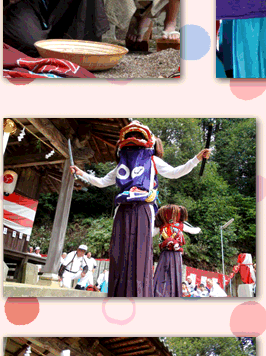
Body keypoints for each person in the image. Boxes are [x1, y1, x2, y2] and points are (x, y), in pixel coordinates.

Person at [71, 122, 208, 297]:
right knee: (119, 250)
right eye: (128, 136)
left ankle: (140, 295)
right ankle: (117, 293)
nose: (133, 139)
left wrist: (196, 158)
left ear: (149, 140)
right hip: (122, 209)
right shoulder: (122, 163)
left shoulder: (152, 160)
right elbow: (102, 182)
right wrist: (82, 173)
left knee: (140, 251)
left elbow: (175, 172)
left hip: (143, 208)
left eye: (138, 136)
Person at [151, 204, 199, 298]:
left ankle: (163, 293)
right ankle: (162, 293)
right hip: (167, 252)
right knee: (168, 273)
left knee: (169, 273)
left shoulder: (177, 225)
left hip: (173, 252)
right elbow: (192, 230)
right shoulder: (162, 225)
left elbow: (150, 234)